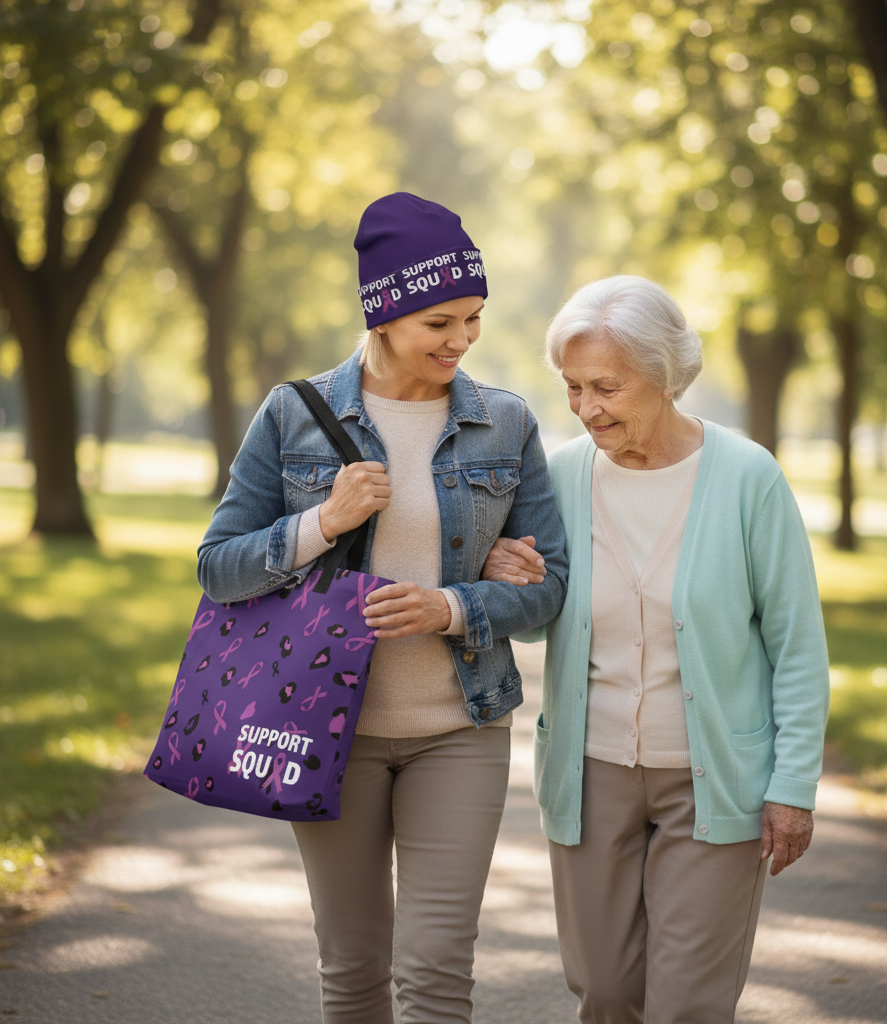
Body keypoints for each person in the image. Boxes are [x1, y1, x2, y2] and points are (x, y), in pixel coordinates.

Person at [197, 192, 568, 1024]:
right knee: (355, 964)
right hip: (331, 729)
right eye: (440, 321)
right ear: (385, 312)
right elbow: (217, 569)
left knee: (438, 968)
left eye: (473, 319)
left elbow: (550, 590)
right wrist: (322, 522)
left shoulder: (503, 422)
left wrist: (452, 605)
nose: (462, 340)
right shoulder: (294, 414)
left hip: (459, 727)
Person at [483, 275, 830, 1024]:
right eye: (573, 387)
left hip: (714, 780)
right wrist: (508, 577)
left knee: (686, 1005)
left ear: (666, 375)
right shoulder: (562, 475)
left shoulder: (747, 479)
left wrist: (793, 784)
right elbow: (545, 618)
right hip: (590, 770)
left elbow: (796, 646)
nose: (585, 408)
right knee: (605, 992)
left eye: (606, 386)